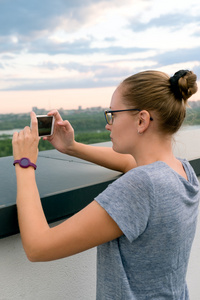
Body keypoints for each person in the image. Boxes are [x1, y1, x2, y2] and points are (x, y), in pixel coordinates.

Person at [12, 69, 199, 299]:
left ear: (141, 120)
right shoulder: (182, 171)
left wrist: (24, 163)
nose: (108, 125)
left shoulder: (141, 186)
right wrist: (71, 146)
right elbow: (132, 164)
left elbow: (38, 246)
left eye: (113, 115)